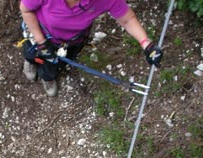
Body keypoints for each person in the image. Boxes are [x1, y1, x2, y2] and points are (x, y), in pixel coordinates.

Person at [19, 0, 164, 97]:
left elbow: (127, 19)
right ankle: (31, 61)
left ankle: (48, 76)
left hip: (70, 42)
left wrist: (146, 43)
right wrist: (40, 40)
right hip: (38, 33)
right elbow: (26, 10)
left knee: (56, 63)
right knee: (32, 53)